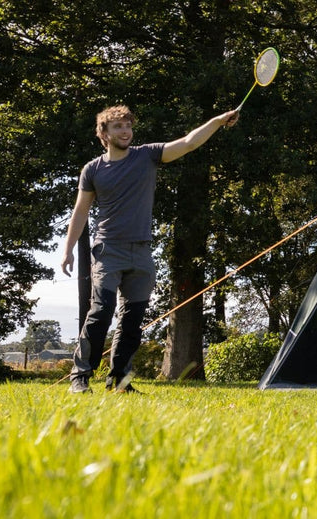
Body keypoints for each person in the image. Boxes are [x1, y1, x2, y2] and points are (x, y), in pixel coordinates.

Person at [60, 105, 239, 393]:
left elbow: (188, 142)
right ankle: (80, 377)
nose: (126, 130)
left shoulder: (147, 155)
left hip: (142, 252)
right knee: (101, 312)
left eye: (128, 125)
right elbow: (80, 212)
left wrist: (217, 121)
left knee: (132, 321)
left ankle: (120, 381)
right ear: (103, 133)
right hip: (108, 250)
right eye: (118, 126)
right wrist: (68, 249)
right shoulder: (92, 170)